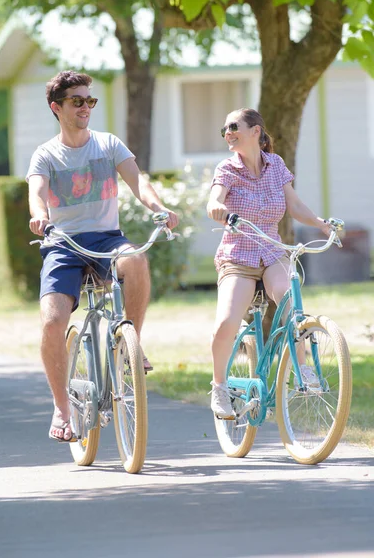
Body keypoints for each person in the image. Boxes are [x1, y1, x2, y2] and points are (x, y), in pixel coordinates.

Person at [27, 70, 178, 442]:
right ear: (56, 108)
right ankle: (62, 410)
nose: (85, 107)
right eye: (77, 101)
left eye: (89, 101)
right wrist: (41, 216)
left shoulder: (108, 144)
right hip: (63, 242)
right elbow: (37, 190)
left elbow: (137, 179)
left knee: (137, 260)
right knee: (52, 322)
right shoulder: (46, 154)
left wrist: (157, 206)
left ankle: (131, 346)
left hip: (108, 238)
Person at [206, 108, 331, 418]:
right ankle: (219, 387)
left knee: (292, 306)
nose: (227, 132)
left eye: (233, 126)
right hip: (238, 256)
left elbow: (294, 205)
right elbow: (214, 200)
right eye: (224, 128)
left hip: (273, 251)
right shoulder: (227, 169)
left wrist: (321, 223)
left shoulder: (275, 165)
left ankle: (303, 370)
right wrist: (218, 208)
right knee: (226, 322)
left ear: (255, 131)